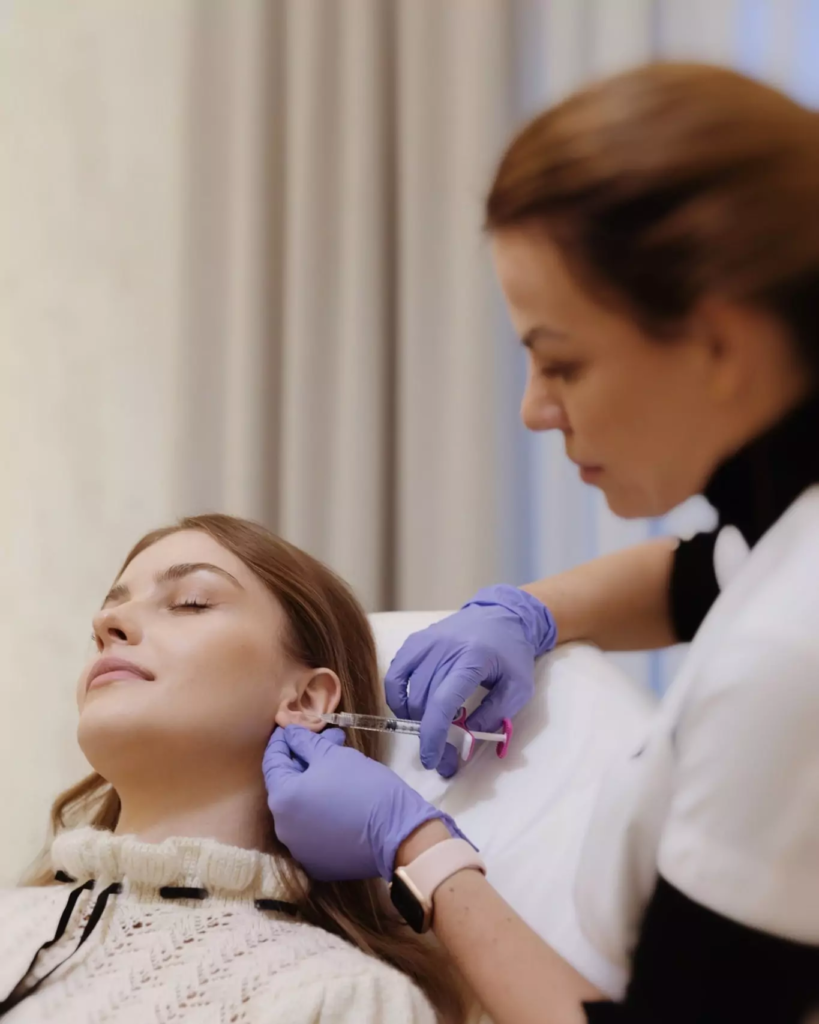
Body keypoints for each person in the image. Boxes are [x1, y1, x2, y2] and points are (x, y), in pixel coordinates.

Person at [264, 63, 819, 1023]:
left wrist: (423, 857)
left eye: (562, 362)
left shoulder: (789, 658)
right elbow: (704, 575)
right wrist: (526, 613)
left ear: (719, 344)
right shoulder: (785, 523)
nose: (533, 409)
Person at [0, 514, 469, 1023]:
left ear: (307, 700)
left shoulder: (344, 998)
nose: (106, 624)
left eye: (191, 603)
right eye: (111, 609)